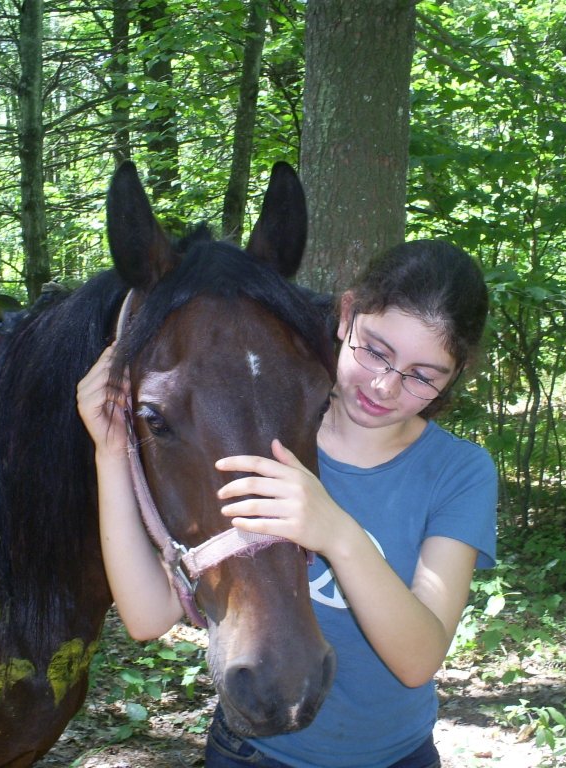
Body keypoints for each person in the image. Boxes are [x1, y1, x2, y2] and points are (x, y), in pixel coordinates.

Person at [78, 240, 497, 768]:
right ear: (346, 315)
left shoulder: (459, 472)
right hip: (252, 754)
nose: (386, 385)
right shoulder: (268, 429)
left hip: (399, 756)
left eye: (422, 375)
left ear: (453, 376)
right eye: (376, 350)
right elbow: (145, 616)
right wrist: (111, 449)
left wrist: (337, 534)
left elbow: (418, 661)